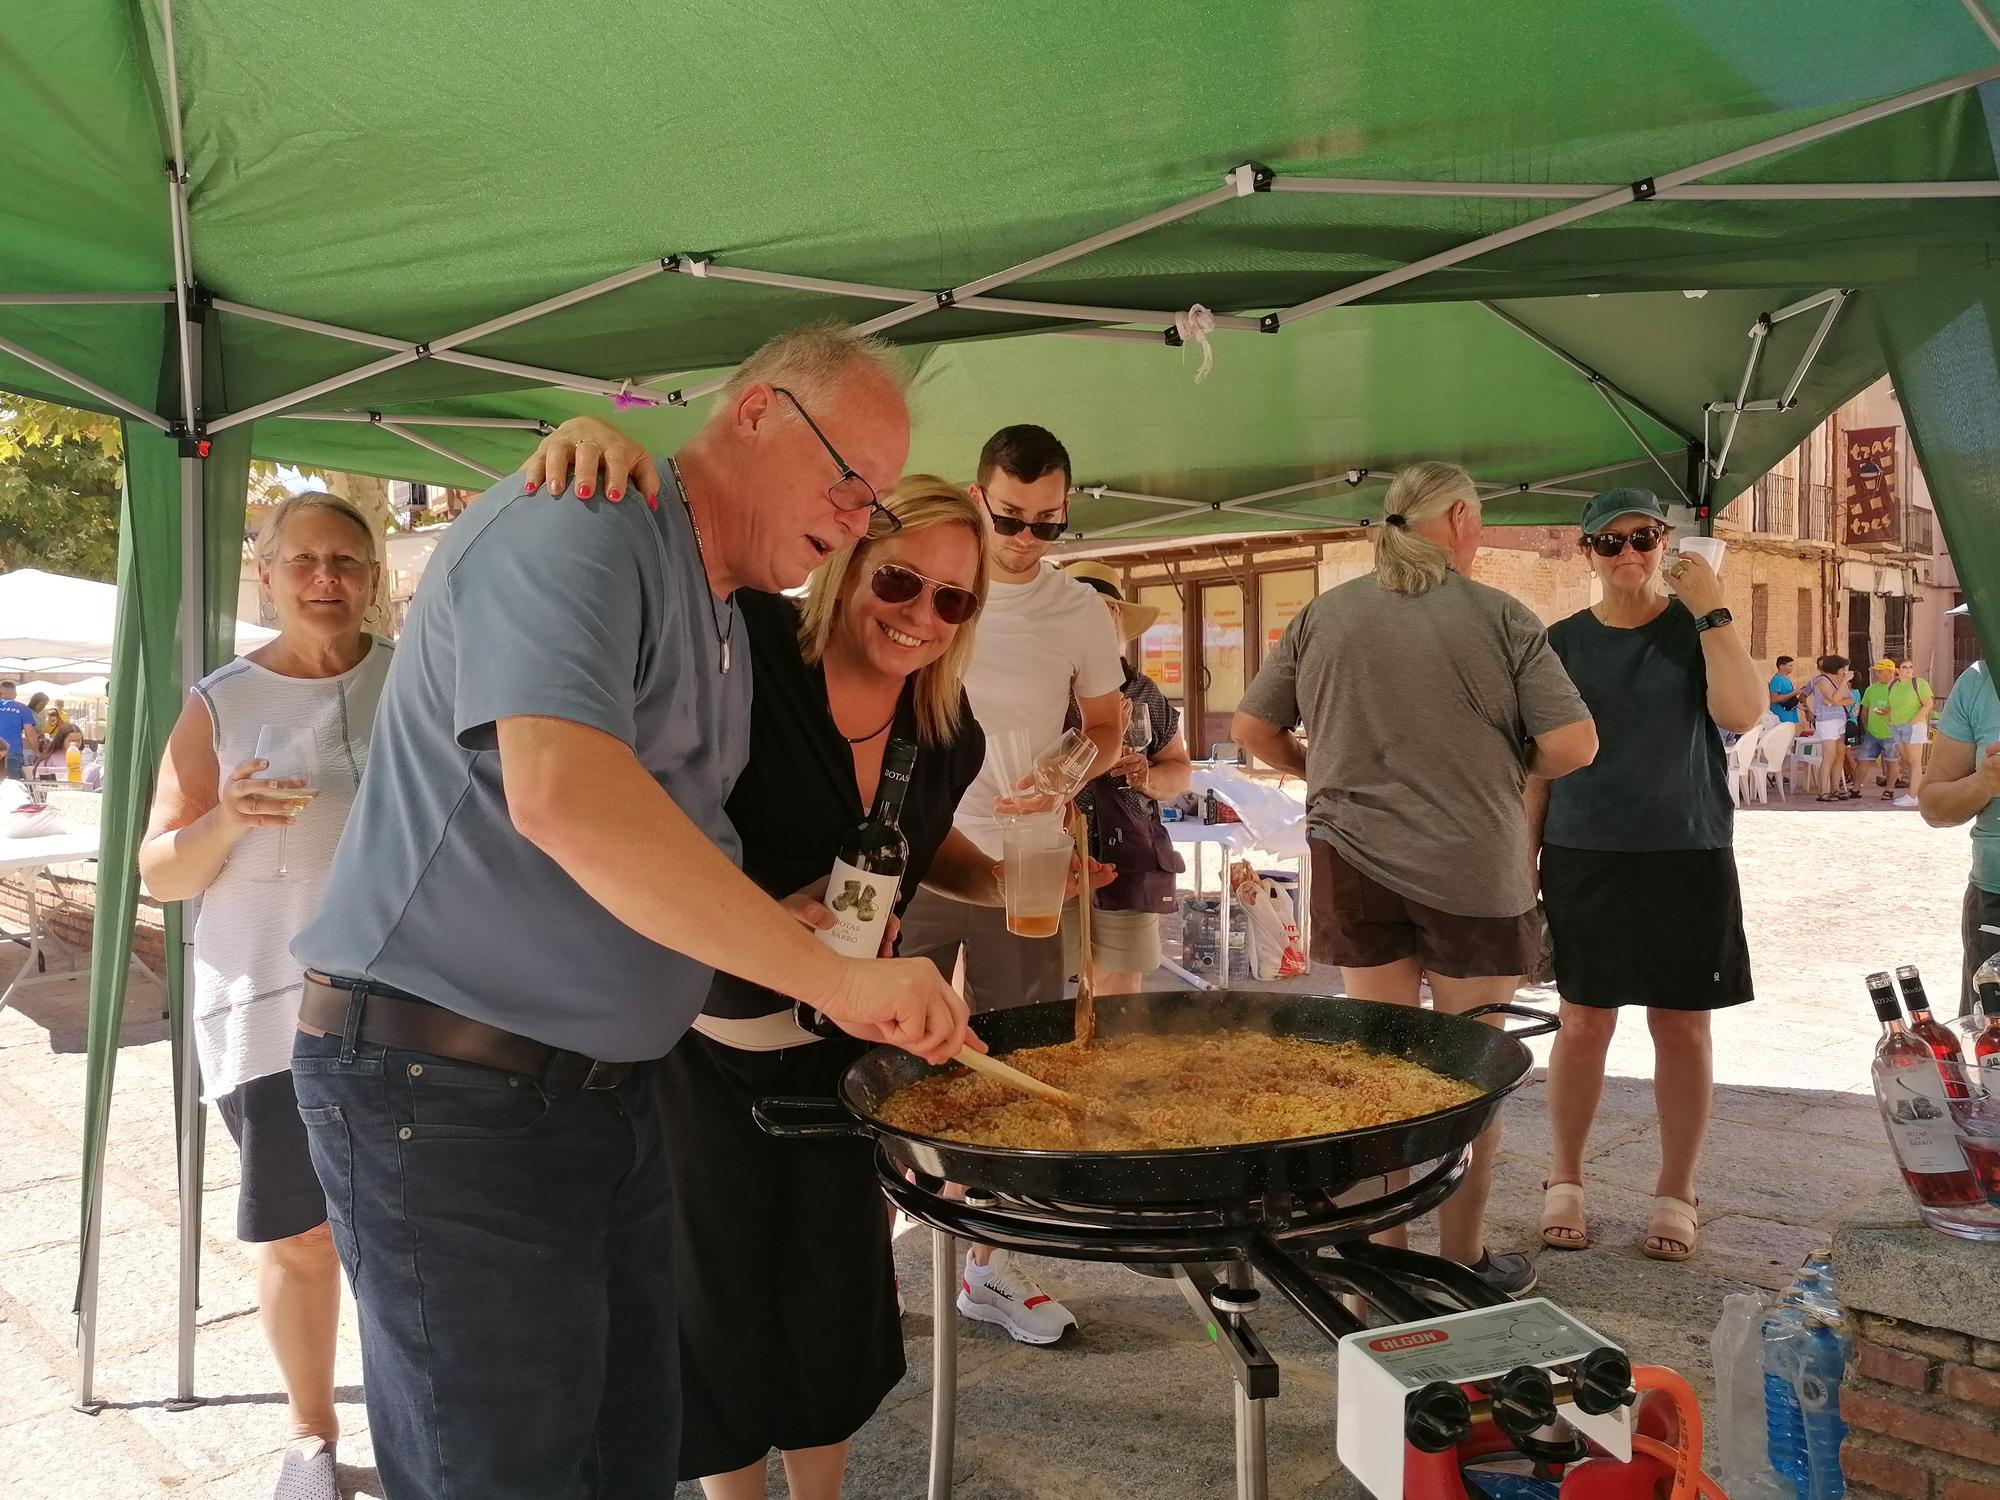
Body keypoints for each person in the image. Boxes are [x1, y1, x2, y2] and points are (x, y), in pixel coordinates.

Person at [291, 327, 974, 1500]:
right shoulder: (586, 519)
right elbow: (567, 796)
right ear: (756, 412)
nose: (859, 522)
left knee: (625, 1456)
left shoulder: (715, 604)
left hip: (602, 1098)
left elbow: (678, 848)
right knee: (502, 1474)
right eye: (847, 482)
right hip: (445, 1089)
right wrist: (845, 982)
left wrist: (795, 929)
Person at [517, 411, 1117, 1347]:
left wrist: (1003, 882)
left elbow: (921, 846)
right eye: (899, 580)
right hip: (698, 1031)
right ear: (849, 559)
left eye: (953, 602)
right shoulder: (748, 645)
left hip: (840, 1044)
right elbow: (660, 584)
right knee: (715, 1303)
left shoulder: (945, 727)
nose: (922, 614)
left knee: (833, 1298)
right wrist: (600, 438)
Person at [1232, 461, 1597, 1294]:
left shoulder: (1327, 615)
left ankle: (1379, 1254)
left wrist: (1316, 764)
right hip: (1474, 867)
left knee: (1378, 1069)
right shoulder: (1500, 616)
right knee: (1469, 1069)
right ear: (1462, 518)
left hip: (1353, 863)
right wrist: (1498, 762)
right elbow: (1576, 746)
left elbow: (1254, 725)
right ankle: (1460, 1257)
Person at [137, 491, 393, 1500]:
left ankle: (418, 1412)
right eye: (305, 562)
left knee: (410, 1226)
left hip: (413, 1001)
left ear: (372, 578)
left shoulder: (417, 681)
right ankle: (311, 1438)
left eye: (346, 561)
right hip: (270, 1009)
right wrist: (228, 819)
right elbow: (162, 870)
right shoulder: (221, 701)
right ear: (270, 574)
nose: (326, 580)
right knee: (303, 1233)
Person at [1527, 490, 1764, 1263]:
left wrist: (1715, 611)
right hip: (1584, 849)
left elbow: (1740, 713)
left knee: (1682, 1025)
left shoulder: (1697, 627)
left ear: (1665, 542)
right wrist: (1521, 865)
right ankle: (1564, 1179)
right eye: (1610, 543)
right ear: (1584, 552)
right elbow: (1536, 767)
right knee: (1583, 1021)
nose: (1629, 554)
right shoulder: (1559, 644)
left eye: (1643, 538)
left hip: (1686, 847)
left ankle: (1676, 1188)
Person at [1062, 562, 1190, 995]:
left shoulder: (1142, 691)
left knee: (1118, 992)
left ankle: (1114, 1065)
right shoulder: (1039, 685)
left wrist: (1147, 777)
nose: (1091, 624)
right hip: (1052, 852)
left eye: (1102, 612)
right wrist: (1098, 740)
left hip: (1128, 856)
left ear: (1117, 621)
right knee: (1039, 986)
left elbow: (1179, 769)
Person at [1918, 605, 2000, 1015]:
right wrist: (1984, 782)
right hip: (1995, 902)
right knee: (1990, 1063)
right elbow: (1933, 805)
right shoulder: (1979, 682)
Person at [1802, 654, 1856, 800]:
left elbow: (1850, 699)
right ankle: (1823, 791)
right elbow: (1834, 697)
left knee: (1840, 755)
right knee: (1829, 756)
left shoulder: (1839, 681)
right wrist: (1837, 696)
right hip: (1827, 721)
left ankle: (1835, 789)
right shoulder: (1822, 681)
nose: (1844, 671)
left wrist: (1834, 702)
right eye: (1842, 668)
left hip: (1840, 720)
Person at [1855, 659, 1903, 799]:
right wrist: (1867, 727)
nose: (1877, 674)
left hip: (1891, 733)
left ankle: (1889, 789)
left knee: (1891, 761)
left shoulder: (1898, 688)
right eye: (1876, 671)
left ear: (1890, 672)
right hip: (1872, 733)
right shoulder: (1871, 688)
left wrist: (1888, 712)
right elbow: (1864, 710)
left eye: (1880, 671)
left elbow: (1902, 709)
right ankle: (1855, 788)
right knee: (1863, 760)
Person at [1890, 658, 1935, 807]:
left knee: (1915, 761)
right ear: (1897, 670)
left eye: (1910, 667)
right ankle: (1914, 792)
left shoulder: (1919, 684)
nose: (1908, 670)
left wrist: (1912, 721)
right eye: (1904, 667)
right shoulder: (1892, 685)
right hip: (1896, 726)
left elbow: (1928, 705)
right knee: (1906, 760)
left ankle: (1914, 796)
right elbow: (1893, 706)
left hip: (1914, 726)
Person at [0, 681, 41, 779]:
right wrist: (38, 753)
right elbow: (30, 734)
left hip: (8, 753)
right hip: (12, 753)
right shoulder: (22, 708)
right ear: (14, 695)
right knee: (12, 788)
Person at [1768, 655, 1800, 725]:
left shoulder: (1786, 679)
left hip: (1789, 715)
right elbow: (1774, 699)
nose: (1792, 668)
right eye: (1790, 665)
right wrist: (1793, 693)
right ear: (1781, 666)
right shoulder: (1777, 679)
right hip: (1781, 717)